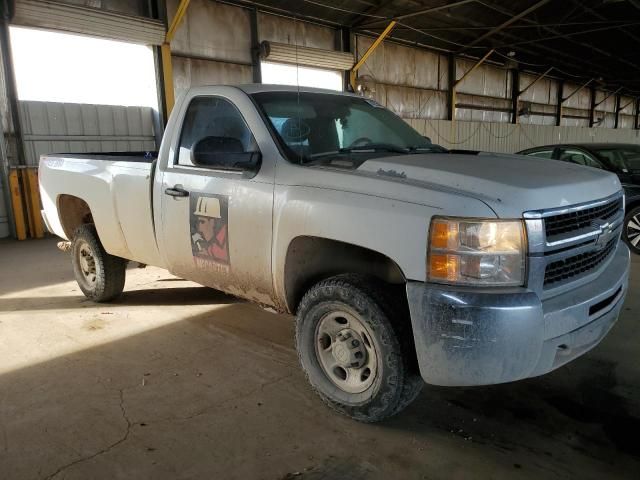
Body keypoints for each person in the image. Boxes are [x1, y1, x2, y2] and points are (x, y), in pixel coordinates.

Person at [191, 196, 229, 263]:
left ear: (212, 222)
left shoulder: (225, 240)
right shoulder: (210, 245)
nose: (199, 229)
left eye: (202, 222)